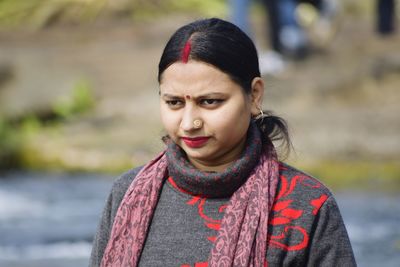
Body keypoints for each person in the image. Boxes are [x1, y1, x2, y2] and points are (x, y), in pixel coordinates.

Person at [89, 18, 356, 266]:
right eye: (174, 103)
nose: (189, 123)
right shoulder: (127, 194)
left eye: (210, 102)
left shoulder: (306, 206)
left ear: (254, 95)